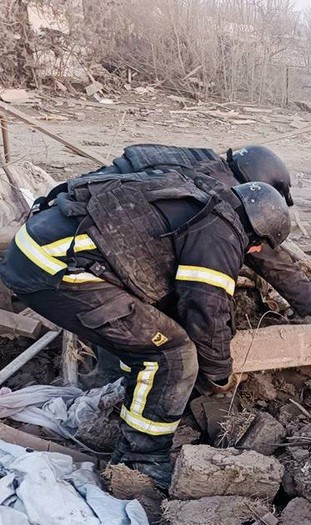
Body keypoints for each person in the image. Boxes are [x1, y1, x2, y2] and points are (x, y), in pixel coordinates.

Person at [0, 172, 291, 486]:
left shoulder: (201, 197)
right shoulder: (220, 234)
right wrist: (219, 376)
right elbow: (206, 311)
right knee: (172, 354)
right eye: (259, 249)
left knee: (149, 332)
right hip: (56, 269)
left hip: (38, 251)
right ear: (256, 241)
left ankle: (124, 399)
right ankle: (140, 460)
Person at [34, 144, 311, 323]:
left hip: (62, 215)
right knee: (162, 324)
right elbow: (265, 262)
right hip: (83, 252)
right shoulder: (227, 200)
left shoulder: (197, 162)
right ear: (256, 186)